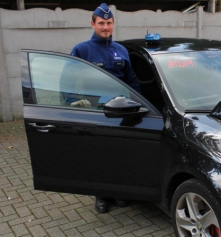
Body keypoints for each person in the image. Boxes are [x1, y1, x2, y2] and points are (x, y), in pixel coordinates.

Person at [70, 3, 140, 213]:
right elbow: (67, 77)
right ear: (93, 24)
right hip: (96, 110)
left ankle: (117, 192)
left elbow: (132, 81)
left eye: (109, 23)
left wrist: (140, 104)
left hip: (120, 110)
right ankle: (101, 195)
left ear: (113, 24)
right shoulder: (82, 49)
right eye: (101, 23)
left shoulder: (121, 50)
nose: (105, 27)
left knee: (118, 153)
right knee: (99, 154)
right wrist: (73, 100)